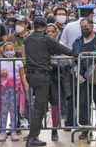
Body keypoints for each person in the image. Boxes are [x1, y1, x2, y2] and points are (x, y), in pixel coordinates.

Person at [24, 17, 74, 147]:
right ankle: (32, 138)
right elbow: (62, 49)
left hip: (31, 76)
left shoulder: (28, 39)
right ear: (45, 27)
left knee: (38, 106)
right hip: (42, 76)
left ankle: (33, 136)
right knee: (39, 108)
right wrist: (76, 53)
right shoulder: (46, 40)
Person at [72, 18, 96, 141]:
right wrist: (76, 72)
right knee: (82, 103)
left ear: (92, 26)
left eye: (87, 26)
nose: (85, 28)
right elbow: (74, 59)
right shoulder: (77, 42)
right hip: (82, 79)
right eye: (82, 26)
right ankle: (85, 129)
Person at [0, 42, 27, 142]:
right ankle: (3, 131)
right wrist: (0, 73)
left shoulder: (18, 62)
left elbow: (22, 75)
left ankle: (13, 131)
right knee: (3, 110)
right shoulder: (0, 62)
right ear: (3, 51)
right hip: (3, 89)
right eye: (7, 50)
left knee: (14, 110)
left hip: (15, 89)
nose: (9, 52)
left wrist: (25, 86)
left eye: (11, 49)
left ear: (14, 50)